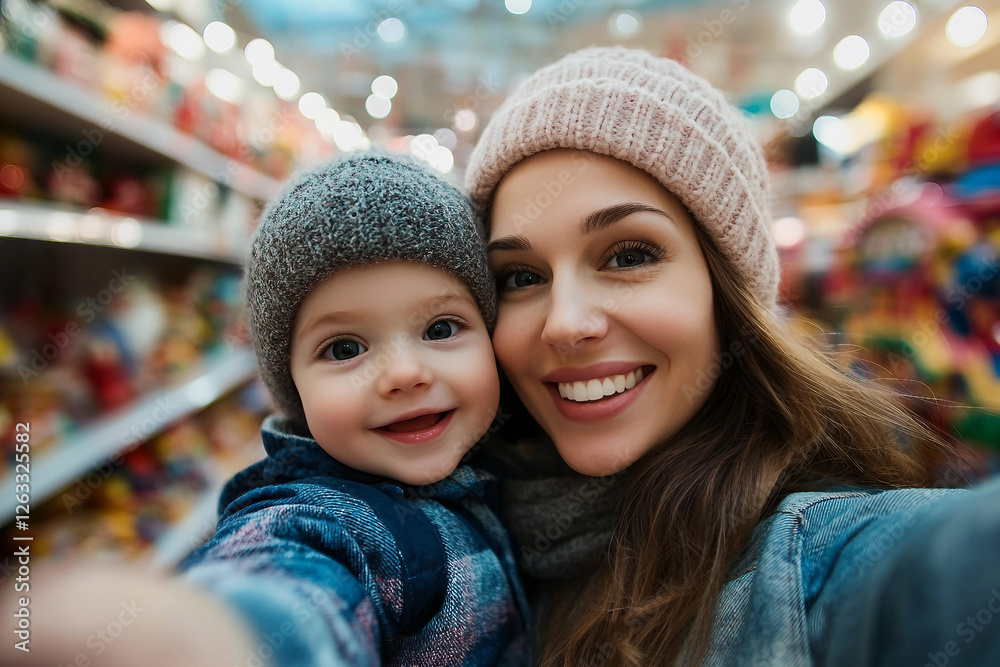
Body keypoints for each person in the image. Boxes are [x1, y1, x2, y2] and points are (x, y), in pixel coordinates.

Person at [463, 46, 1000, 666]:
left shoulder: (806, 562)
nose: (564, 324)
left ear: (727, 292)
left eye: (629, 256)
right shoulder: (477, 539)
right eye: (520, 277)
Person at [2, 152, 527, 667]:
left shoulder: (507, 461)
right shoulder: (338, 520)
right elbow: (291, 584)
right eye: (345, 348)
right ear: (292, 386)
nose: (404, 374)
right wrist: (211, 636)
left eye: (441, 329)